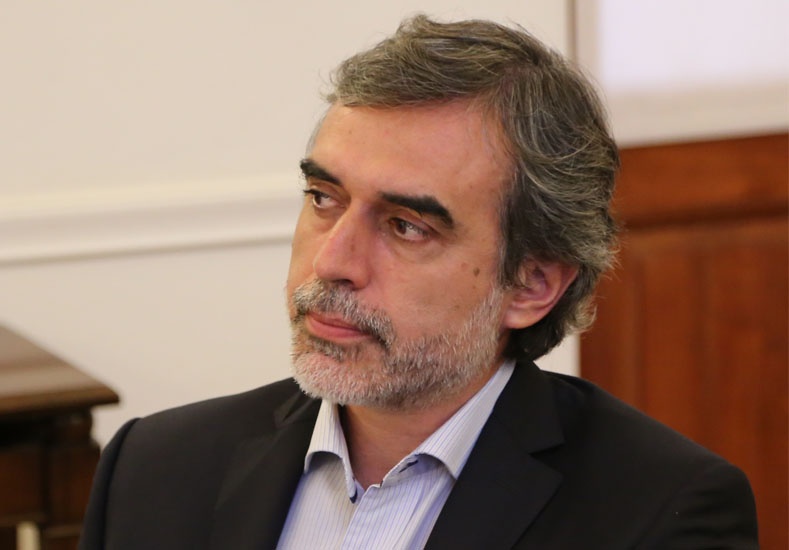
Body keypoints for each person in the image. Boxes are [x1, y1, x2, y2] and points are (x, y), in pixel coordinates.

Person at [79, 15, 758, 550]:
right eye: (323, 198)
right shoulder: (154, 468)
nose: (332, 262)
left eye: (406, 226)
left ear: (532, 285)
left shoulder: (657, 514)